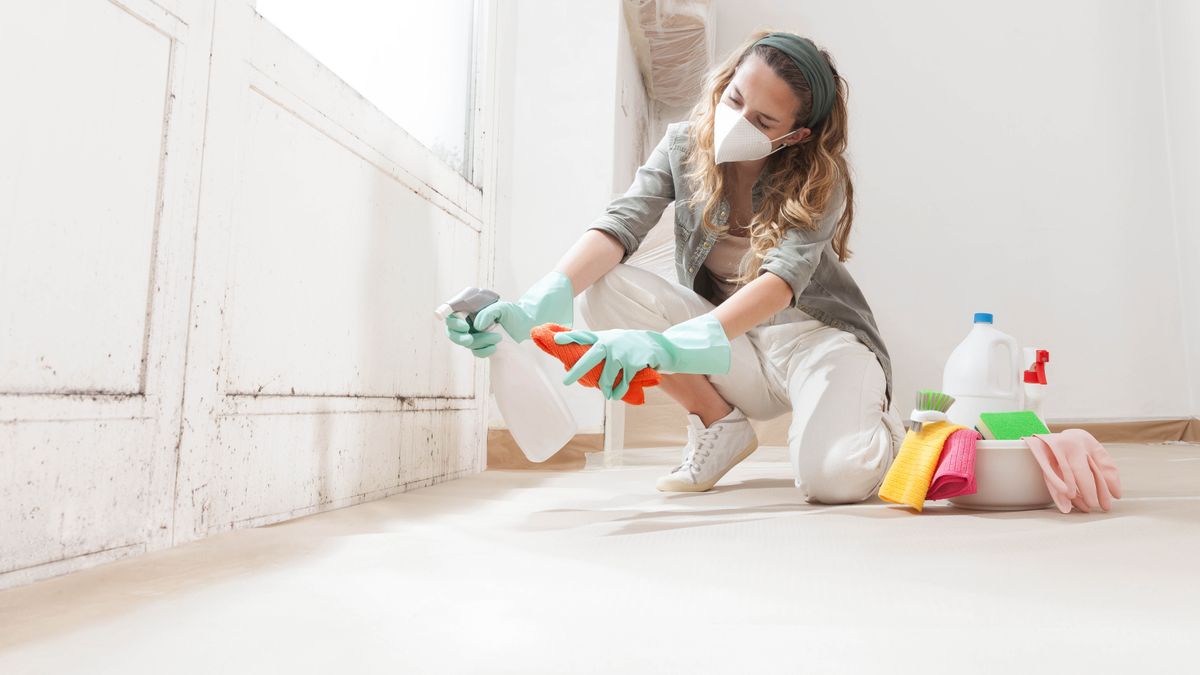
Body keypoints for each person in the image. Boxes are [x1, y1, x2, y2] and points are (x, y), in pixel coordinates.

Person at [445, 30, 905, 504]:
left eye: (764, 121)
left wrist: (665, 348)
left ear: (796, 135)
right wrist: (536, 304)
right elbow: (622, 223)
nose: (738, 121)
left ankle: (889, 433)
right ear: (726, 81)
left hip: (817, 343)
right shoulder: (683, 146)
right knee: (607, 288)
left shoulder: (818, 180)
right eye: (735, 98)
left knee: (831, 481)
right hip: (739, 345)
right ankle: (718, 424)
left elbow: (779, 284)